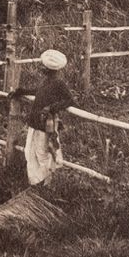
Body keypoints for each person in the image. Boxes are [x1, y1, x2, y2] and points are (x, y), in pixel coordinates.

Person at [23, 49, 77, 186]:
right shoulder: (46, 81)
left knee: (43, 152)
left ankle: (45, 183)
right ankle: (35, 181)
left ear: (50, 70)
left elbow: (70, 100)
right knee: (30, 150)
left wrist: (53, 107)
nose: (42, 69)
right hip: (36, 121)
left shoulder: (58, 83)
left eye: (44, 67)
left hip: (45, 122)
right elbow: (38, 91)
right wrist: (21, 91)